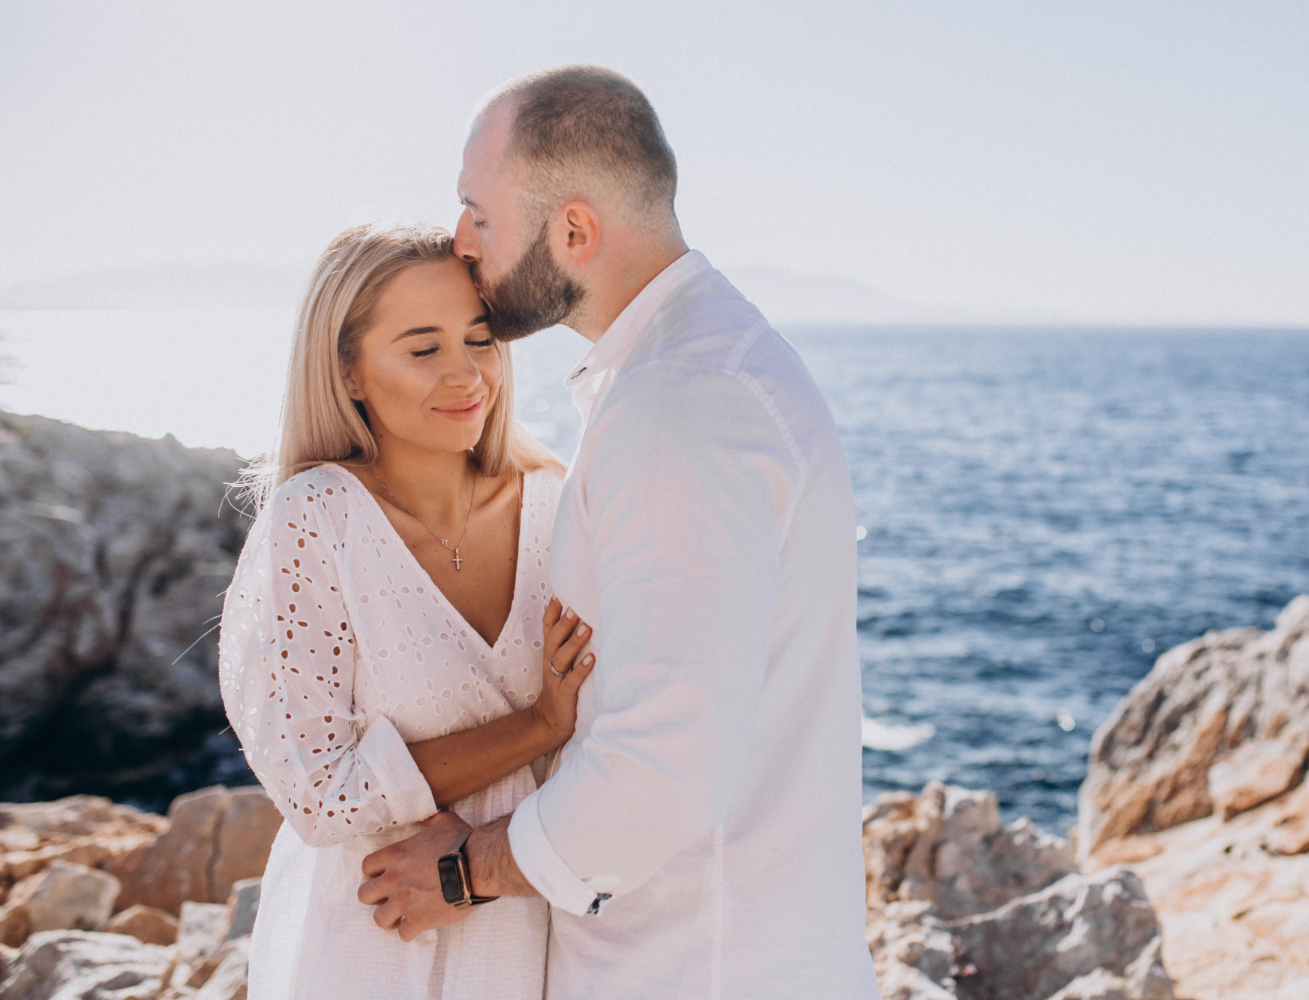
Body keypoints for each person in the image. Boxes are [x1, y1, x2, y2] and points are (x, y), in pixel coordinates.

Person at [358, 66, 881, 998]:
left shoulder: (681, 404)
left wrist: (462, 871)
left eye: (479, 212)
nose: (459, 241)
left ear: (573, 232)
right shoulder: (697, 368)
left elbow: (660, 767)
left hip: (694, 969)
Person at [218, 221, 596, 999]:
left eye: (481, 339)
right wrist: (535, 726)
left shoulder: (559, 505)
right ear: (349, 371)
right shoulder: (314, 521)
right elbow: (318, 794)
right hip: (374, 940)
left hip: (536, 933)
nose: (467, 376)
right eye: (423, 350)